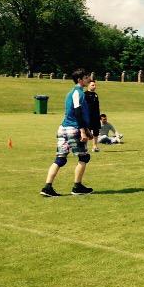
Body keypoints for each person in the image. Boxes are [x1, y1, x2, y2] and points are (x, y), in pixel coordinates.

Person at [40, 68, 94, 197]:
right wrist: (83, 131)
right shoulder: (78, 93)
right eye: (86, 77)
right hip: (73, 129)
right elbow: (77, 112)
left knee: (60, 158)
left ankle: (47, 187)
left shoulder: (71, 93)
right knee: (84, 157)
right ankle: (77, 186)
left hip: (63, 128)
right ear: (80, 80)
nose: (89, 79)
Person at [84, 80, 101, 152]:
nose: (94, 86)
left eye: (95, 85)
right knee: (87, 131)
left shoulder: (96, 95)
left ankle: (95, 146)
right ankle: (85, 147)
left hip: (96, 116)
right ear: (88, 85)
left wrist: (98, 115)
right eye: (92, 85)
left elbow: (97, 106)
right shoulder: (84, 94)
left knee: (96, 131)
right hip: (88, 116)